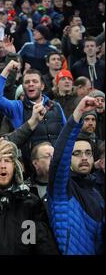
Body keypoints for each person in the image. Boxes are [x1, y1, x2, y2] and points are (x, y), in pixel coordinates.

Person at [47, 96, 105, 255]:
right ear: (69, 160)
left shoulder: (97, 194)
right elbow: (59, 158)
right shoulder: (61, 188)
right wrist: (78, 113)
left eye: (88, 153)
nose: (84, 157)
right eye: (77, 154)